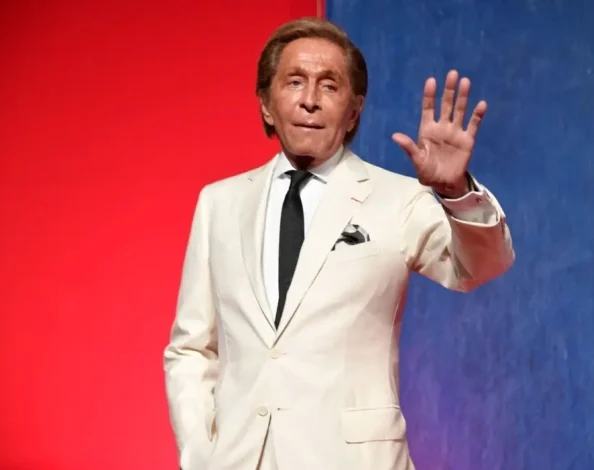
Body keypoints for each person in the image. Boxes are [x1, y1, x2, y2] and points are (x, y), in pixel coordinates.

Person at [164, 16, 515, 470]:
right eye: (294, 82)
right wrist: (201, 455)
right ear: (266, 104)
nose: (310, 99)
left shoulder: (398, 199)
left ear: (353, 111)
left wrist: (454, 191)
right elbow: (191, 348)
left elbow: (480, 267)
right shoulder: (219, 203)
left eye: (329, 86)